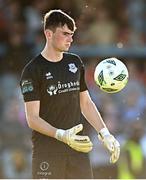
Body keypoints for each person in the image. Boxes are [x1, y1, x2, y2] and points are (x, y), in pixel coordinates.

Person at [20, 9, 120, 179]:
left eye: (72, 34)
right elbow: (32, 118)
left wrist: (105, 133)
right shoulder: (32, 71)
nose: (70, 39)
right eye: (65, 33)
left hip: (78, 150)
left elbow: (86, 104)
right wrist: (62, 135)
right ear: (48, 34)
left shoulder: (74, 62)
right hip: (47, 152)